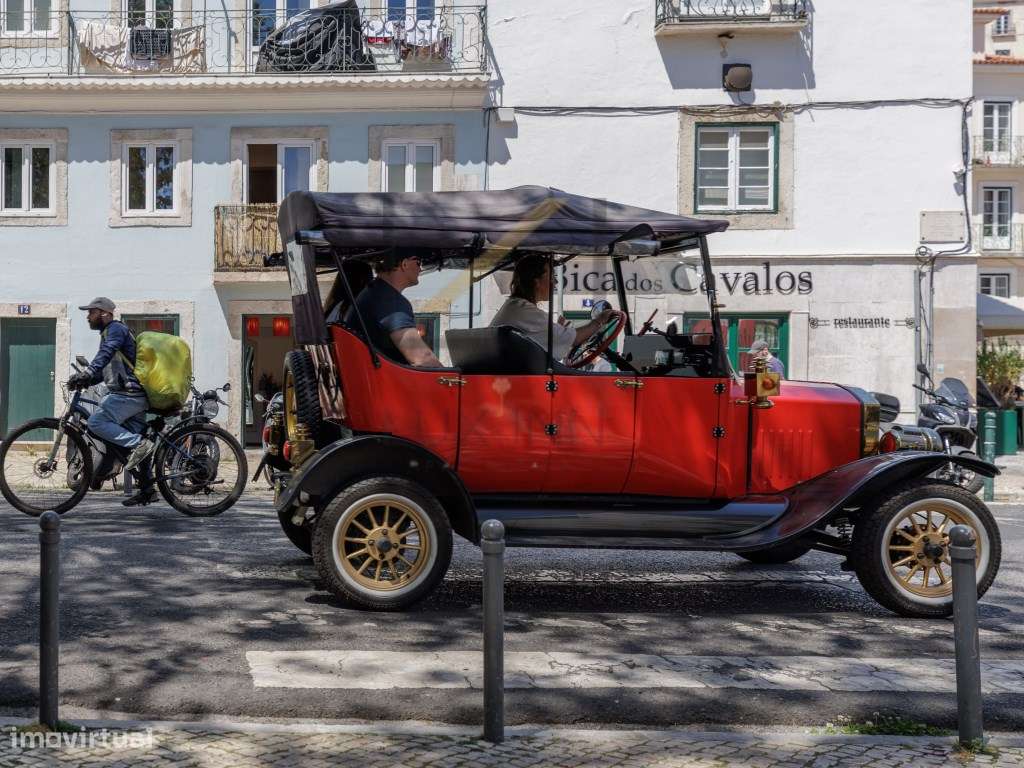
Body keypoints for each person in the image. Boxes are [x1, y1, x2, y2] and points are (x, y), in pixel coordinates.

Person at [65, 297, 156, 507]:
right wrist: (85, 380)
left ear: (104, 313)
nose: (88, 316)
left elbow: (105, 354)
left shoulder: (115, 329)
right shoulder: (110, 332)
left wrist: (88, 371)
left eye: (92, 312)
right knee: (131, 442)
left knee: (96, 423)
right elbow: (107, 372)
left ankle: (140, 445)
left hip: (128, 394)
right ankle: (148, 489)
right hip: (130, 393)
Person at [491, 254, 616, 362]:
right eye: (551, 278)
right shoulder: (525, 312)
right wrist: (599, 321)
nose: (555, 283)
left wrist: (562, 331)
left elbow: (559, 339)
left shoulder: (516, 307)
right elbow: (575, 338)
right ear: (537, 282)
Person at [343, 248, 443, 367]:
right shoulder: (390, 301)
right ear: (404, 264)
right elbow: (422, 358)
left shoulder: (374, 291)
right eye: (418, 262)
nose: (420, 269)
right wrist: (452, 379)